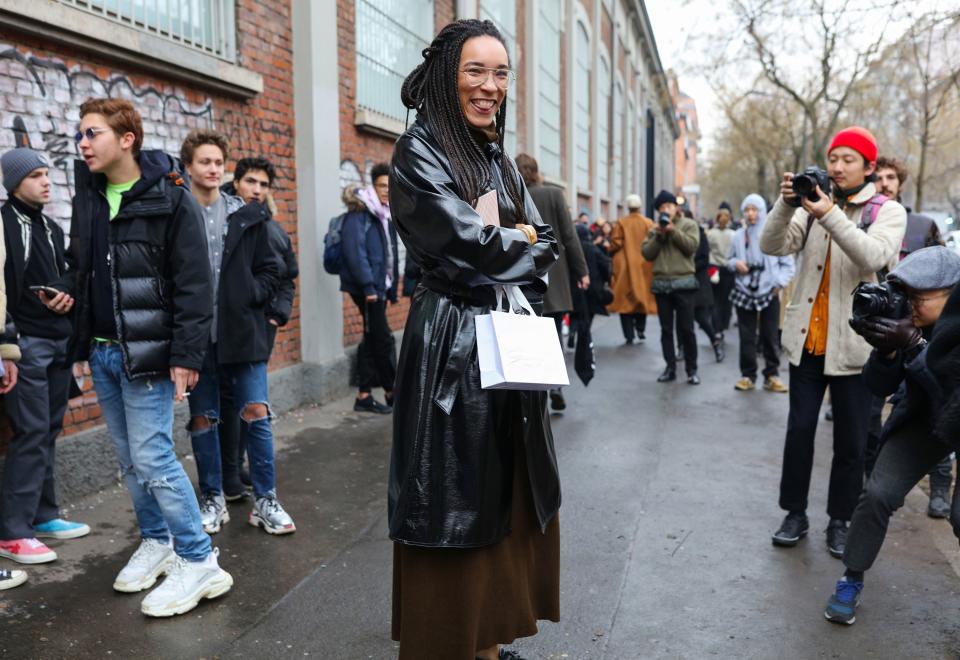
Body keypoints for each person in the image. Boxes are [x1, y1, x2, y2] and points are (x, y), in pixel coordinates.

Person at [389, 19, 560, 660]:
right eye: (475, 71)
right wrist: (513, 244)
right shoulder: (418, 152)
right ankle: (448, 643)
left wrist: (515, 244)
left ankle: (485, 642)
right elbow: (469, 247)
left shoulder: (494, 156)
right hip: (452, 345)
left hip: (502, 335)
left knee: (505, 491)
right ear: (446, 76)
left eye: (501, 72)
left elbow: (540, 243)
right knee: (452, 496)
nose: (490, 87)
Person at [51, 98, 232, 617]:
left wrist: (186, 354)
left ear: (126, 138)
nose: (83, 144)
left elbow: (194, 285)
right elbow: (81, 265)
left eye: (92, 133)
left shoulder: (169, 198)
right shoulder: (89, 195)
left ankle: (199, 560)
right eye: (80, 134)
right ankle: (156, 541)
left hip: (150, 354)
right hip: (105, 352)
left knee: (154, 457)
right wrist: (68, 298)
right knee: (130, 460)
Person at [760, 126, 906, 558]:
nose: (838, 166)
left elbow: (872, 256)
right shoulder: (811, 203)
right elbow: (772, 245)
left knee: (851, 441)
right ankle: (794, 512)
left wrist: (827, 213)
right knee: (799, 431)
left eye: (848, 159)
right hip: (806, 340)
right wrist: (786, 205)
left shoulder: (886, 210)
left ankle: (840, 520)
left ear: (869, 166)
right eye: (833, 158)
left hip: (857, 348)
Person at [823, 246, 960, 625]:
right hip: (923, 420)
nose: (909, 305)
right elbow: (875, 385)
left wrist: (916, 346)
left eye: (920, 298)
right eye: (906, 295)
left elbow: (951, 390)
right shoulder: (906, 320)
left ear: (953, 293)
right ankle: (851, 576)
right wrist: (885, 354)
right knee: (878, 493)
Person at [180, 130, 295, 537]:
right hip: (197, 338)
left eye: (218, 162)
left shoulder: (246, 215)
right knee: (203, 419)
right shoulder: (180, 212)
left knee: (256, 414)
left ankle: (265, 499)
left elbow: (274, 271)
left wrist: (250, 297)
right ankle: (212, 498)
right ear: (189, 167)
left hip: (242, 335)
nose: (212, 169)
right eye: (204, 162)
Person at [0, 148, 89, 569]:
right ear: (14, 182)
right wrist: (7, 344)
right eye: (35, 175)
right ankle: (13, 532)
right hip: (25, 344)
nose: (45, 182)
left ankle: (44, 515)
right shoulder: (3, 224)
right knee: (30, 431)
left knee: (49, 429)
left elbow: (68, 273)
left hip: (58, 342)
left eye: (46, 174)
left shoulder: (52, 228)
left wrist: (66, 292)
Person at [869, 155, 949, 517]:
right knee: (893, 406)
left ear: (900, 183)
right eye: (878, 177)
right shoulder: (869, 220)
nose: (884, 183)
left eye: (890, 178)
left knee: (941, 398)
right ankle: (876, 478)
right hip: (889, 320)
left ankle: (940, 485)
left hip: (928, 328)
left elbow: (944, 268)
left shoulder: (921, 224)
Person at [221, 156, 299, 498]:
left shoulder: (273, 227)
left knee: (250, 402)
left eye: (263, 185)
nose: (256, 190)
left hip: (260, 326)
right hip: (227, 325)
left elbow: (287, 279)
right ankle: (228, 475)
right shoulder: (221, 217)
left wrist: (276, 315)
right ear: (237, 181)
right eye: (251, 182)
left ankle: (239, 470)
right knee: (225, 401)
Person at [515, 153, 587, 412]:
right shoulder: (554, 195)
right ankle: (554, 386)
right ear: (536, 171)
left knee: (524, 339)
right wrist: (582, 271)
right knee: (553, 335)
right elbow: (569, 236)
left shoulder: (511, 195)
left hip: (521, 278)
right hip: (553, 278)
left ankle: (529, 393)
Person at [339, 163, 400, 414]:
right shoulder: (360, 212)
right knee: (382, 338)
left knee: (371, 337)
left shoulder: (383, 213)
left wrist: (390, 288)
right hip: (367, 288)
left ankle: (365, 394)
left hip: (379, 286)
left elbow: (390, 254)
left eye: (390, 186)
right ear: (373, 186)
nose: (387, 190)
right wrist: (368, 287)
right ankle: (391, 390)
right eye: (383, 185)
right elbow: (355, 253)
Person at [728, 194, 794, 392]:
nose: (750, 214)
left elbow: (788, 264)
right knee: (746, 336)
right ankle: (747, 375)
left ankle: (772, 374)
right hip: (744, 290)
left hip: (769, 291)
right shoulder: (738, 236)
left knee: (770, 335)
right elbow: (728, 260)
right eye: (747, 210)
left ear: (762, 211)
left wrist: (779, 283)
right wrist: (735, 264)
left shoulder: (774, 234)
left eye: (754, 209)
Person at [642, 190, 701, 385]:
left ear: (676, 207)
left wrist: (673, 231)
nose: (666, 210)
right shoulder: (654, 229)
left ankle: (692, 369)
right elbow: (647, 253)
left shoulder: (689, 224)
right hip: (662, 286)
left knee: (687, 329)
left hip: (684, 283)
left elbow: (691, 247)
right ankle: (670, 368)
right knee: (666, 330)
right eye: (662, 208)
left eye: (669, 206)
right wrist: (660, 234)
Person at [608, 194, 656, 345]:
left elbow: (616, 243)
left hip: (626, 266)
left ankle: (629, 335)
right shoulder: (648, 222)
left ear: (628, 207)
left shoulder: (621, 223)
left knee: (624, 301)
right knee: (642, 298)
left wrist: (608, 249)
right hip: (644, 264)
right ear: (640, 206)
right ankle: (640, 329)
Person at [691, 211, 725, 363]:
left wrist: (687, 267)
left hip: (699, 284)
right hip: (682, 283)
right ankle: (681, 350)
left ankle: (715, 342)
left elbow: (704, 258)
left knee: (702, 318)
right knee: (682, 323)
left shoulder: (700, 234)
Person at [708, 207, 736, 334]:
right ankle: (724, 324)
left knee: (715, 299)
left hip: (714, 268)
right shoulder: (734, 235)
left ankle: (716, 326)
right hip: (729, 269)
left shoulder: (711, 234)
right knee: (727, 300)